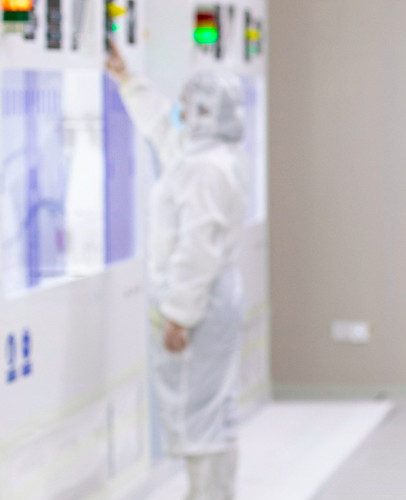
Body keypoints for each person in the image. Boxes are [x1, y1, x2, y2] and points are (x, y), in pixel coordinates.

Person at [106, 46, 248, 500]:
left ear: (206, 110)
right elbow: (162, 132)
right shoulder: (205, 156)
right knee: (205, 412)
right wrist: (128, 78)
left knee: (202, 417)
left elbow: (197, 249)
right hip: (209, 300)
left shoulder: (207, 168)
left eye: (188, 104)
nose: (180, 110)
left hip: (199, 306)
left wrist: (179, 316)